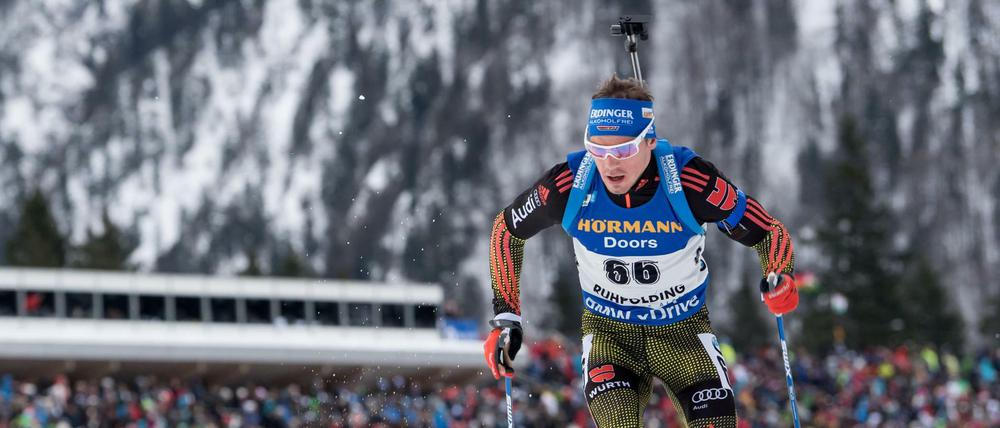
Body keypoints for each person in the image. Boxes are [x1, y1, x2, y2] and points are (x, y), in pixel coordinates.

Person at [483, 74, 799, 427]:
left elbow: (768, 231)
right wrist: (506, 316)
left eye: (622, 150)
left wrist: (780, 275)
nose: (609, 164)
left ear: (650, 141)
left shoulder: (689, 181)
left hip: (682, 334)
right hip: (609, 335)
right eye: (598, 149)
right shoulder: (569, 185)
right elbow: (505, 231)